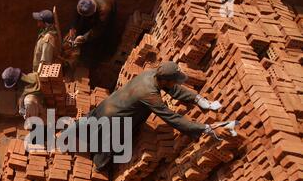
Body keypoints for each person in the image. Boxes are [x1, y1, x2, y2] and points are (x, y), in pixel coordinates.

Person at [65, 61, 237, 172]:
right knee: (107, 146)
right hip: (114, 118)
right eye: (174, 80)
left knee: (88, 122)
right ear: (165, 80)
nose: (175, 83)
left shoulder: (152, 74)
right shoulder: (149, 94)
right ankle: (96, 169)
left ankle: (68, 133)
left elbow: (173, 89)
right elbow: (172, 118)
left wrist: (199, 99)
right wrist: (204, 128)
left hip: (108, 105)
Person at [66, 0, 116, 64]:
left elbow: (98, 29)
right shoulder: (83, 2)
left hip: (108, 1)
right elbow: (76, 18)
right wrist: (72, 29)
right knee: (84, 25)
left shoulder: (105, 10)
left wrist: (84, 37)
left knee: (105, 34)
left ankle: (100, 55)